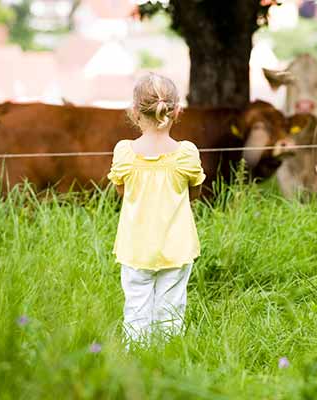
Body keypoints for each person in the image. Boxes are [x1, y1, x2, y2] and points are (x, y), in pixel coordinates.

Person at [107, 73, 205, 344]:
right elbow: (194, 193)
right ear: (177, 112)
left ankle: (139, 369)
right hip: (176, 247)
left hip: (136, 248)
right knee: (171, 314)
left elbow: (121, 191)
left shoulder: (125, 152)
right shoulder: (186, 153)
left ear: (135, 112)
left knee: (136, 313)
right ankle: (168, 366)